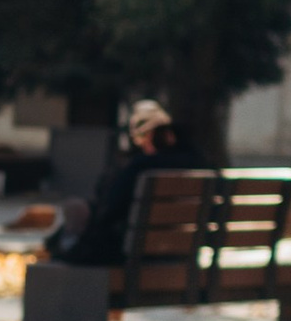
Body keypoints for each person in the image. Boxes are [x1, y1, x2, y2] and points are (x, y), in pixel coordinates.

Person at [43, 100, 208, 266]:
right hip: (183, 255)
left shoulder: (142, 167)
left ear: (149, 136)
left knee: (75, 211)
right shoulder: (201, 166)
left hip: (133, 256)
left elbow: (110, 211)